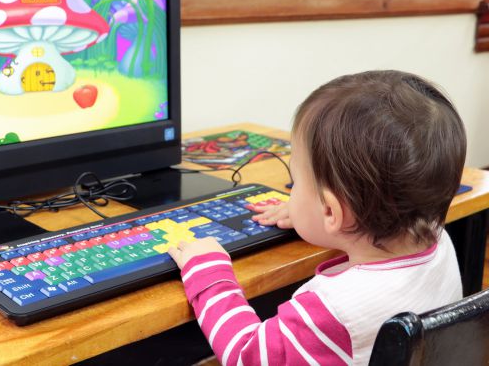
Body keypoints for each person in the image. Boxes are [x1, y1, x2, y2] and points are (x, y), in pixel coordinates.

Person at [168, 70, 466, 365]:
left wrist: (209, 274)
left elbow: (246, 355)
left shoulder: (330, 311)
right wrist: (311, 215)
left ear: (331, 211)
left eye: (295, 183)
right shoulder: (438, 240)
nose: (292, 191)